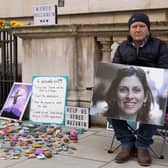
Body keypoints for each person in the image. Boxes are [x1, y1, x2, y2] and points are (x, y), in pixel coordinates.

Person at [108, 12, 168, 166]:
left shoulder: (160, 46)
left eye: (142, 26)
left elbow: (165, 70)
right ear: (130, 30)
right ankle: (126, 142)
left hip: (151, 92)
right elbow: (115, 71)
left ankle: (142, 145)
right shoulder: (122, 48)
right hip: (128, 89)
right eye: (134, 26)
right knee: (106, 103)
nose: (138, 29)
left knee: (157, 104)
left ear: (148, 29)